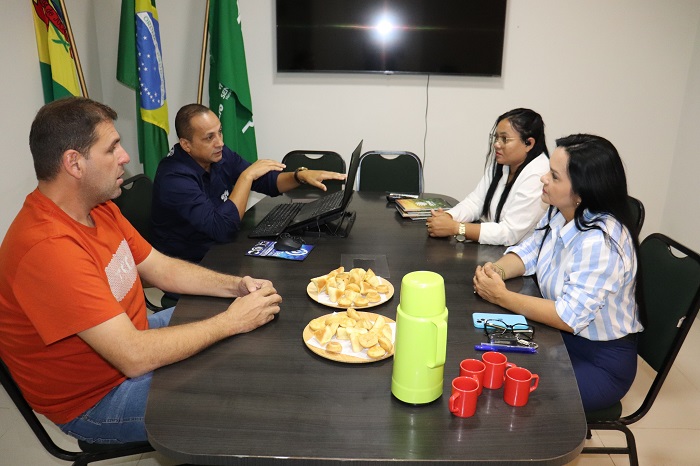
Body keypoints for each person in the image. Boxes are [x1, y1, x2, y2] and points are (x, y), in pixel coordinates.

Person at [0, 97, 282, 444]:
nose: (125, 158)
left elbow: (161, 268)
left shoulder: (98, 207)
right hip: (98, 399)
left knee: (250, 326)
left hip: (132, 333)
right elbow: (134, 356)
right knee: (243, 389)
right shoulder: (47, 248)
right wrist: (233, 320)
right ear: (74, 163)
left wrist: (236, 287)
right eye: (113, 148)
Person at [473, 133, 644, 411]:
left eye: (554, 176)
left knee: (512, 396)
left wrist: (501, 297)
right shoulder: (561, 211)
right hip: (557, 337)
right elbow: (531, 251)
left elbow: (569, 316)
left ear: (581, 192)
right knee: (486, 361)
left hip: (597, 361)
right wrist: (497, 271)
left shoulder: (600, 241)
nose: (543, 179)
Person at [151, 103, 346, 263]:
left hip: (219, 248)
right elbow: (222, 229)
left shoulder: (217, 154)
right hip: (190, 262)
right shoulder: (175, 178)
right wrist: (246, 177)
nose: (219, 142)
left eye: (219, 132)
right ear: (186, 144)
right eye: (209, 137)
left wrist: (299, 176)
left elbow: (268, 182)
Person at [426, 108, 550, 245]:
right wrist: (447, 217)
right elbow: (476, 202)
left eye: (504, 139)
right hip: (493, 249)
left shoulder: (538, 175)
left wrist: (456, 228)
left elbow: (509, 233)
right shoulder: (506, 162)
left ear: (529, 143)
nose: (497, 144)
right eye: (496, 137)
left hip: (518, 258)